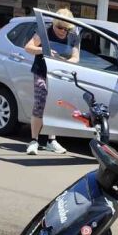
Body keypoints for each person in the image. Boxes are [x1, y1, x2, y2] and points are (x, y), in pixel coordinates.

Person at [24, 8, 80, 155]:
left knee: (56, 106)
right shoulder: (45, 31)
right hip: (42, 72)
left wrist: (63, 61)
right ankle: (34, 140)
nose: (63, 31)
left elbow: (76, 58)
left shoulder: (73, 36)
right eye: (59, 27)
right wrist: (44, 51)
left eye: (66, 28)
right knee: (40, 103)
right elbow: (29, 47)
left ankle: (51, 140)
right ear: (54, 24)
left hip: (60, 75)